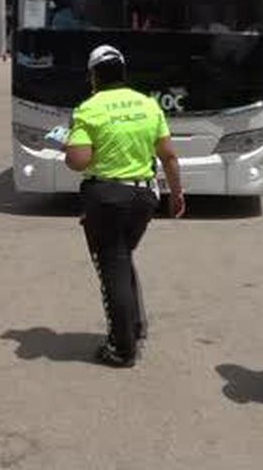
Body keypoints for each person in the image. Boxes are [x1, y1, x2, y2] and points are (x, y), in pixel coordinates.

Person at [64, 44, 186, 368]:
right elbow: (169, 156)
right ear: (122, 73)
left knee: (112, 265)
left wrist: (68, 143)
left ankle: (121, 348)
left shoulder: (88, 109)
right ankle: (135, 326)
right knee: (121, 257)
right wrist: (176, 194)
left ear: (93, 76)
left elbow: (78, 161)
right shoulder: (148, 105)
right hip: (144, 198)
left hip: (106, 198)